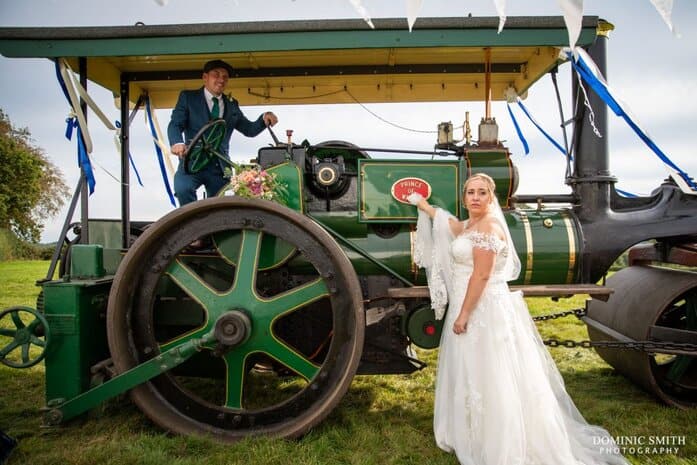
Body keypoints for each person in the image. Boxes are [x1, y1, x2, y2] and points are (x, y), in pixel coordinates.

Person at [408, 173, 628, 465]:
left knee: (491, 370)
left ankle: (501, 438)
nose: (475, 197)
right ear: (465, 197)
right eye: (470, 192)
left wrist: (463, 314)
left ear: (492, 197)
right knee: (472, 368)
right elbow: (453, 226)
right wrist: (425, 206)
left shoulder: (489, 227)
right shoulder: (472, 224)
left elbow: (482, 275)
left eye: (481, 193)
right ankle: (473, 429)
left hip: (481, 308)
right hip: (470, 303)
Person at [168, 59, 278, 206]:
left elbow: (249, 130)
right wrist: (177, 143)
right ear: (205, 77)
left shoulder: (231, 105)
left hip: (219, 167)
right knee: (183, 189)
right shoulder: (188, 98)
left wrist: (264, 118)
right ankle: (193, 224)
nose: (221, 80)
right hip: (193, 162)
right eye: (216, 75)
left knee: (223, 204)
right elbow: (175, 124)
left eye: (225, 77)